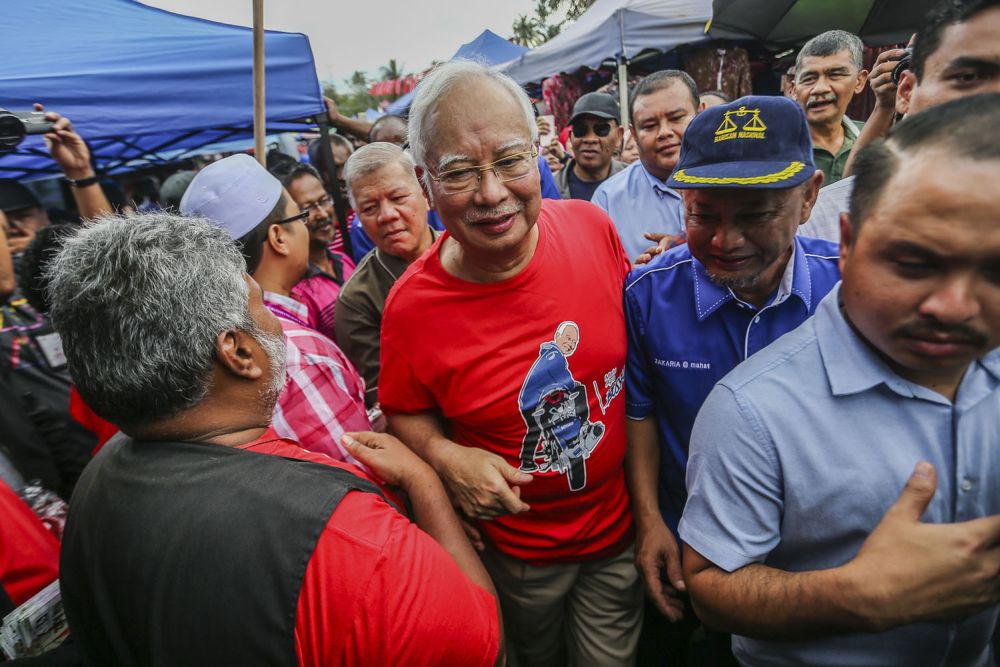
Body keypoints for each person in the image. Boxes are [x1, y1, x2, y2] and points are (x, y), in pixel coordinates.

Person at [50, 213, 501, 666]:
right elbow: (482, 642)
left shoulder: (96, 481)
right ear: (240, 353)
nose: (278, 324)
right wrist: (424, 482)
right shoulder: (345, 537)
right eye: (261, 305)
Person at [682, 92, 1000, 667]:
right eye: (914, 262)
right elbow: (710, 586)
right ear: (850, 242)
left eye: (996, 270)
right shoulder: (748, 409)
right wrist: (856, 597)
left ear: (809, 201)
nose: (955, 305)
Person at [380, 61, 641, 666]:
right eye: (460, 172)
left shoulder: (592, 227)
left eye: (509, 160)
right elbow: (402, 411)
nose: (492, 193)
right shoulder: (411, 310)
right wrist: (447, 457)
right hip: (515, 556)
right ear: (425, 182)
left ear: (539, 150)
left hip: (617, 537)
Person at [624, 96, 838, 635]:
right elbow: (641, 412)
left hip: (820, 562)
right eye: (702, 216)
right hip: (689, 552)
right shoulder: (648, 294)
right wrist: (649, 521)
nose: (725, 240)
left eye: (755, 215)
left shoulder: (851, 292)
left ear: (809, 197)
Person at [181, 154, 370, 463]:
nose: (308, 227)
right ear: (279, 237)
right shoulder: (295, 354)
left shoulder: (213, 339)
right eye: (301, 216)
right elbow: (363, 474)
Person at [801, 0, 1000, 241]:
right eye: (968, 77)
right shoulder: (824, 219)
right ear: (906, 91)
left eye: (836, 74)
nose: (991, 101)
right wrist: (884, 106)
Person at [335, 143, 437, 409]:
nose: (387, 216)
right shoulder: (358, 301)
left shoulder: (470, 251)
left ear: (425, 194)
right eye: (370, 208)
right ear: (357, 217)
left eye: (398, 198)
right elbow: (385, 400)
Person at [592, 71, 698, 263]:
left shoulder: (737, 181)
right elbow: (599, 275)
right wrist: (634, 279)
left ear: (701, 115)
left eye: (676, 118)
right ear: (633, 133)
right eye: (649, 125)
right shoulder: (608, 200)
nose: (664, 133)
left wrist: (683, 247)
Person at [271, 162, 356, 341]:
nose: (323, 213)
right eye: (307, 209)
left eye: (324, 201)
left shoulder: (343, 260)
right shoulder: (298, 291)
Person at [793, 30, 869, 184]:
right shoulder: (776, 145)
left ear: (859, 81)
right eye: (809, 79)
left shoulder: (874, 137)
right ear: (794, 90)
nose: (820, 88)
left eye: (835, 75)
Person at [553, 92, 626, 200]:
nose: (590, 139)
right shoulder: (551, 188)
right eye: (580, 130)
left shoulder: (635, 183)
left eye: (601, 129)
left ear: (619, 135)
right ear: (570, 136)